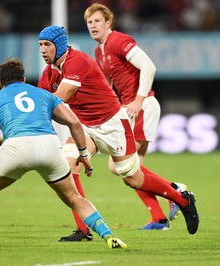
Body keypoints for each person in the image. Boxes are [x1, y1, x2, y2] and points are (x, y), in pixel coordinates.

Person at [0, 57, 127, 250]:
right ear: (23, 78)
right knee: (74, 198)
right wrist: (84, 154)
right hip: (49, 146)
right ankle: (110, 236)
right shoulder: (43, 94)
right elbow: (73, 122)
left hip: (16, 151)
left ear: (0, 82)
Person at [37, 25, 199, 241]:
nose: (43, 50)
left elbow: (59, 98)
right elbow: (38, 107)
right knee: (68, 167)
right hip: (85, 127)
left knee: (133, 178)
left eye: (47, 45)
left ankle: (182, 199)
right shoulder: (48, 73)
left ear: (59, 44)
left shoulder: (77, 61)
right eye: (40, 45)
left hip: (112, 123)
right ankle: (83, 230)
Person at [84, 3, 186, 230]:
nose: (93, 26)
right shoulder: (99, 51)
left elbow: (149, 67)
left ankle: (174, 192)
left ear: (108, 22)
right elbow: (107, 86)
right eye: (89, 22)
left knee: (120, 165)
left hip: (142, 106)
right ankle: (159, 218)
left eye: (97, 21)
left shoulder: (119, 40)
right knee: (131, 169)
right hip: (128, 110)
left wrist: (138, 100)